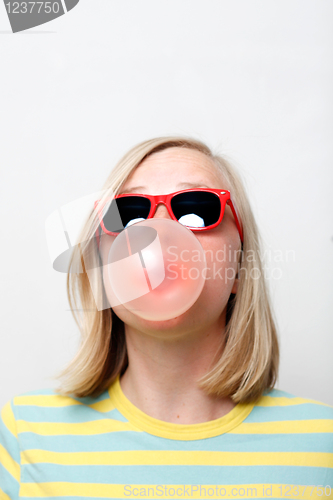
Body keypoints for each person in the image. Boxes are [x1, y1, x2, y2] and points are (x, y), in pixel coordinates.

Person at [1, 137, 332, 499]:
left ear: (239, 269)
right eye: (127, 215)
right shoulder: (26, 433)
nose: (155, 234)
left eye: (196, 211)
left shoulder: (322, 444)